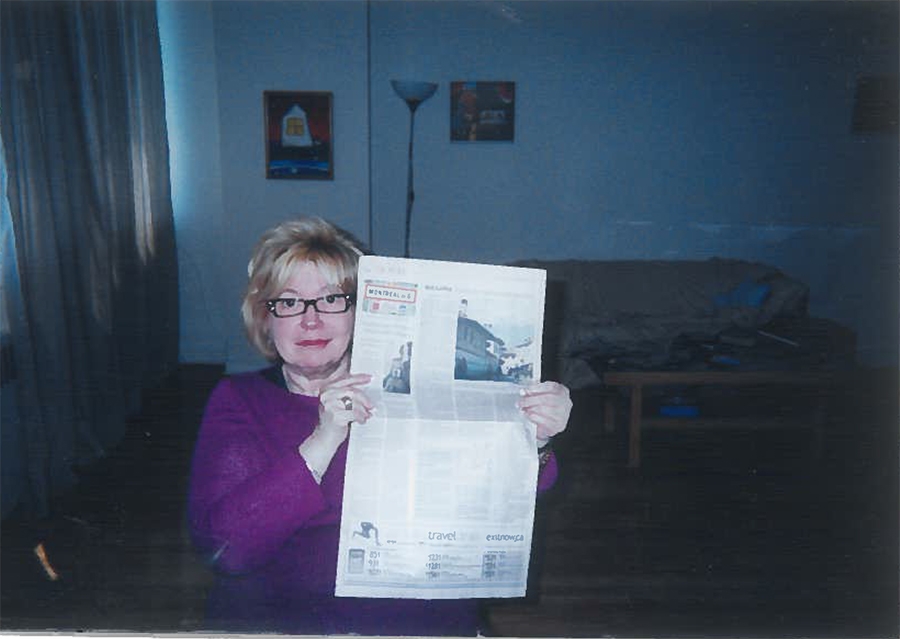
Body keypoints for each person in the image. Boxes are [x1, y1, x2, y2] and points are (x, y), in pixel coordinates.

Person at [187, 217, 572, 636]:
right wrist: (323, 439)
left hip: (425, 621)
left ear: (361, 311)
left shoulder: (413, 387)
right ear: (266, 318)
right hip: (289, 623)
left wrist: (535, 438)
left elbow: (515, 493)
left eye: (333, 299)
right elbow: (227, 550)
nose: (311, 320)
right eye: (290, 301)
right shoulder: (240, 400)